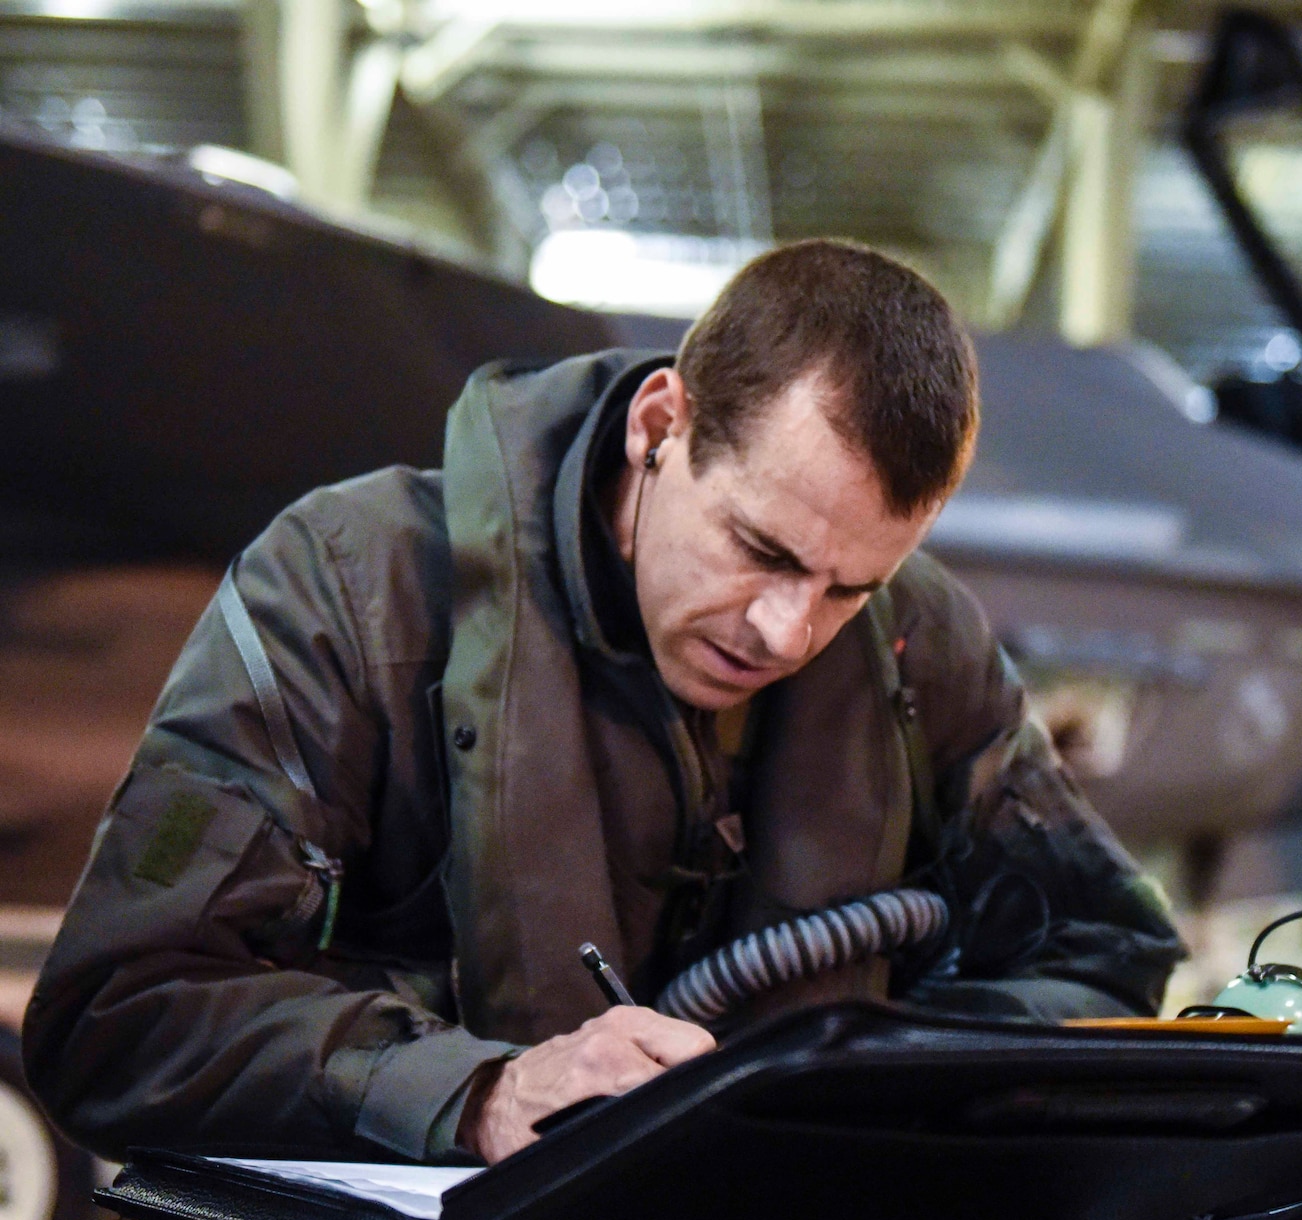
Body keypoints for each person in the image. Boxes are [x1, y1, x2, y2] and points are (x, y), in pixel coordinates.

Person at [24, 240, 1184, 1165]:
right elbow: (120, 1019)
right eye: (759, 549)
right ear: (658, 428)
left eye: (847, 584)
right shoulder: (348, 592)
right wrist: (473, 1089)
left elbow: (1101, 953)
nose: (787, 631)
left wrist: (882, 1073)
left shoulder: (914, 637)